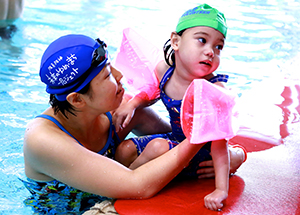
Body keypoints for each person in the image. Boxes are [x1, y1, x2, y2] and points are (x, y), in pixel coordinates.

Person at [21, 34, 212, 214]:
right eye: (107, 75)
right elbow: (138, 186)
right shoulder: (43, 140)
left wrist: (225, 156)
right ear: (77, 100)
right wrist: (201, 135)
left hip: (112, 198)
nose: (120, 75)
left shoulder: (121, 112)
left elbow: (178, 140)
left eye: (111, 66)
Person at [113, 4, 247, 211]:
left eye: (219, 46)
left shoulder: (213, 90)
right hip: (174, 140)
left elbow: (219, 144)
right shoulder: (164, 71)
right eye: (202, 40)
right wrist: (132, 104)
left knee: (156, 147)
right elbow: (152, 90)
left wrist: (221, 190)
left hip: (200, 155)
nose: (211, 51)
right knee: (125, 149)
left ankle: (120, 188)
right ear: (176, 41)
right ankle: (116, 178)